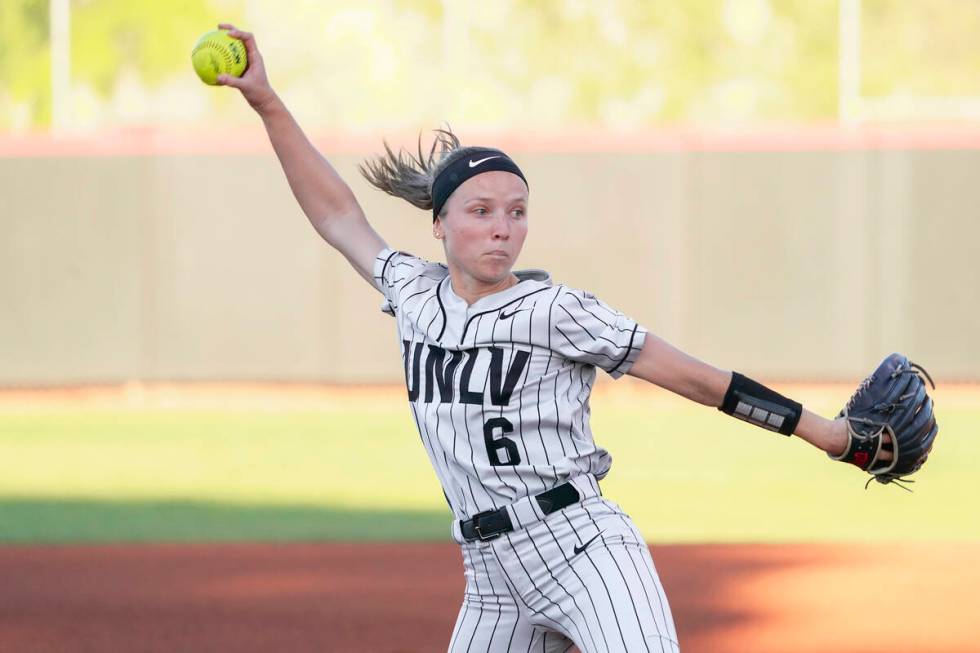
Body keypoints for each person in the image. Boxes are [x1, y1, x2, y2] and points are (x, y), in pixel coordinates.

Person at [216, 24, 886, 652]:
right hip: (488, 577)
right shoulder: (412, 292)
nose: (503, 226)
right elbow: (336, 213)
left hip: (584, 550)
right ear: (440, 224)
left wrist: (826, 433)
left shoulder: (556, 310)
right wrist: (268, 102)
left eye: (516, 211)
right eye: (481, 211)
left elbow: (695, 378)